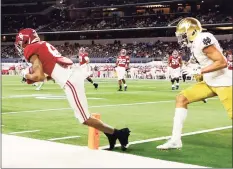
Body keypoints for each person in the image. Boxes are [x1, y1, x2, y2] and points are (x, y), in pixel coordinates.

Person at [15, 28, 130, 151]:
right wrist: (37, 77)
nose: (21, 46)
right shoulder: (43, 45)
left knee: (84, 118)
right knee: (84, 117)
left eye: (21, 43)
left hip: (70, 80)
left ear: (26, 40)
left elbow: (39, 76)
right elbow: (48, 75)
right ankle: (112, 134)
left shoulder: (30, 49)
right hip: (72, 76)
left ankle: (119, 134)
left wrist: (25, 75)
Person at [157, 17, 232, 150]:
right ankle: (175, 140)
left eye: (183, 35)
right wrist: (198, 74)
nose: (181, 38)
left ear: (192, 31)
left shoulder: (202, 39)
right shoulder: (194, 44)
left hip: (223, 82)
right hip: (209, 82)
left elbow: (222, 62)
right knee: (181, 98)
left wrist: (200, 70)